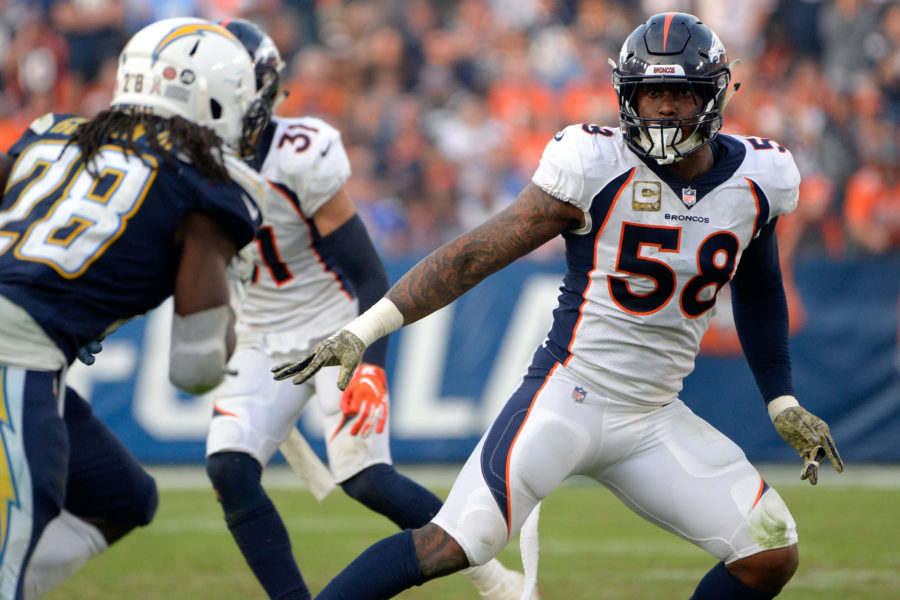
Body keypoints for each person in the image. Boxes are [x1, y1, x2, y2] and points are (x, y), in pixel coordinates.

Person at [274, 12, 845, 600]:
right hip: (569, 395)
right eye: (652, 94)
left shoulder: (760, 177)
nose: (666, 109)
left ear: (715, 94)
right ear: (628, 96)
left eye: (681, 93)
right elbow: (475, 255)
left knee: (769, 552)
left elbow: (759, 285)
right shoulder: (595, 164)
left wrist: (781, 399)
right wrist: (367, 328)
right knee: (457, 543)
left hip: (653, 415)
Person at [204, 19, 534, 600]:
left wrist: (370, 363)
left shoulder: (298, 154)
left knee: (366, 478)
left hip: (332, 327)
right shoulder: (185, 162)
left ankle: (493, 579)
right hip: (258, 335)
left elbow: (367, 272)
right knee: (229, 468)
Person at [0, 17, 267, 600]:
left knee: (120, 495)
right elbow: (194, 370)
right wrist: (231, 296)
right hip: (13, 362)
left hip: (30, 358)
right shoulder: (207, 188)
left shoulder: (53, 131)